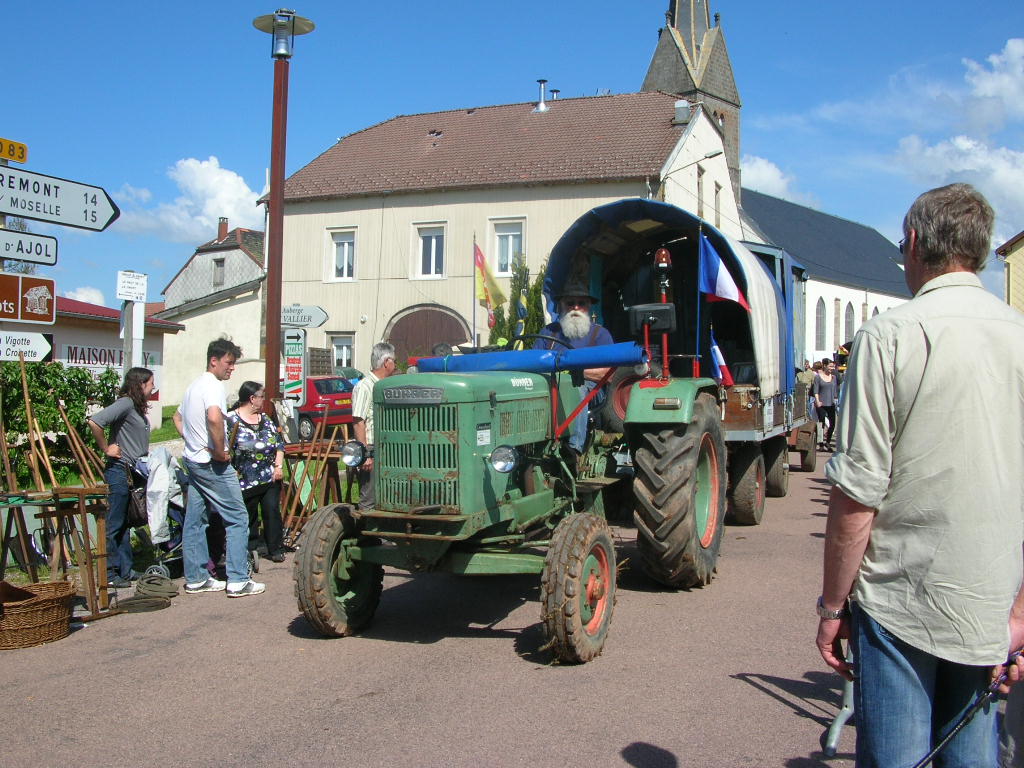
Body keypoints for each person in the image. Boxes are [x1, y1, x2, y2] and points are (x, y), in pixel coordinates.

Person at [815, 183, 1024, 767]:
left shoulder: (888, 336)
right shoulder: (1020, 337)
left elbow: (857, 495)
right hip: (988, 598)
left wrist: (833, 608)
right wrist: (1020, 617)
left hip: (901, 598)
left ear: (912, 243)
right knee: (972, 752)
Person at [173, 338, 264, 598]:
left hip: (193, 460)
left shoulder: (193, 387)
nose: (232, 368)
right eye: (229, 363)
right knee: (237, 517)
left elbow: (177, 417)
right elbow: (214, 418)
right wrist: (219, 449)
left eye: (233, 363)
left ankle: (197, 577)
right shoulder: (212, 386)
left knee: (195, 521)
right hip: (211, 463)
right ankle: (238, 579)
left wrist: (192, 441)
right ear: (214, 361)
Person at [87, 367, 155, 589]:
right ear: (141, 384)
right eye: (151, 383)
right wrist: (106, 448)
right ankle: (108, 573)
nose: (153, 388)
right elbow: (95, 422)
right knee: (114, 522)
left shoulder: (134, 407)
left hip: (132, 471)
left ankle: (124, 569)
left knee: (125, 522)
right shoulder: (125, 403)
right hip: (118, 470)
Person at [532, 279, 613, 455]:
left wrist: (576, 373)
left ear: (589, 307)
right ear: (561, 306)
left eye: (581, 303)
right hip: (549, 385)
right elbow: (534, 361)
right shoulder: (548, 332)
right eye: (570, 303)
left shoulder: (600, 335)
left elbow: (611, 374)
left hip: (590, 390)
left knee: (576, 387)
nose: (575, 308)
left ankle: (573, 448)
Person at [227, 381, 286, 564]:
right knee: (249, 514)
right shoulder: (230, 420)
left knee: (271, 510)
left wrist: (278, 466)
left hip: (268, 476)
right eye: (261, 396)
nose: (264, 400)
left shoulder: (265, 419)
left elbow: (279, 444)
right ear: (252, 399)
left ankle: (275, 547)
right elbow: (225, 448)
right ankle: (250, 548)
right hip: (244, 478)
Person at [352, 342, 398, 510]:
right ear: (387, 362)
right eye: (394, 361)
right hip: (371, 447)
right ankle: (367, 534)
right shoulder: (364, 386)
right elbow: (358, 421)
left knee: (387, 493)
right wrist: (365, 454)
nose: (395, 365)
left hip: (387, 447)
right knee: (369, 496)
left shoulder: (385, 386)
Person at [812, 358, 838, 450]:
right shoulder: (818, 377)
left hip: (831, 404)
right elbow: (815, 391)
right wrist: (817, 401)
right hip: (821, 404)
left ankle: (828, 442)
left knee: (832, 424)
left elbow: (835, 391)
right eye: (830, 366)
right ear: (825, 366)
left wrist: (836, 400)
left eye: (833, 366)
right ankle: (821, 443)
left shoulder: (834, 378)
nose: (832, 368)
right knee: (821, 423)